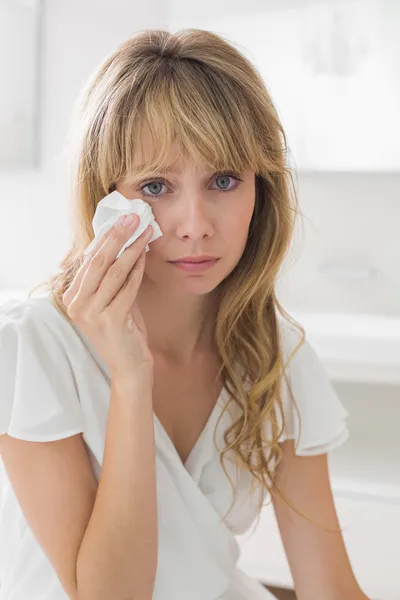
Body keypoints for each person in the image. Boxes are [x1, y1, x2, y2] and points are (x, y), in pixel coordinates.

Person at [0, 29, 370, 600]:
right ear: (107, 199)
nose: (195, 223)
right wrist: (130, 379)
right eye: (156, 186)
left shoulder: (273, 354)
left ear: (260, 192)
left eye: (224, 180)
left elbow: (332, 588)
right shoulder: (34, 346)